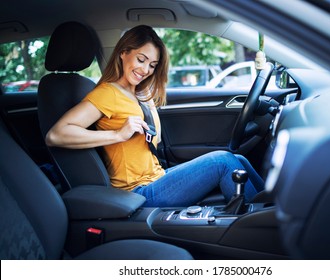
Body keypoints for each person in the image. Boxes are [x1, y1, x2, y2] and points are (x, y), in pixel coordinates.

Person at [45, 25, 264, 207]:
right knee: (223, 161)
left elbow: (153, 140)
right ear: (123, 53)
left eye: (152, 65)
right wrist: (118, 134)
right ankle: (256, 226)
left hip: (157, 178)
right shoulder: (107, 93)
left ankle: (267, 208)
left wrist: (146, 102)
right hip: (139, 192)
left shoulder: (137, 93)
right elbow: (56, 135)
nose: (146, 69)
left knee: (238, 160)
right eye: (141, 59)